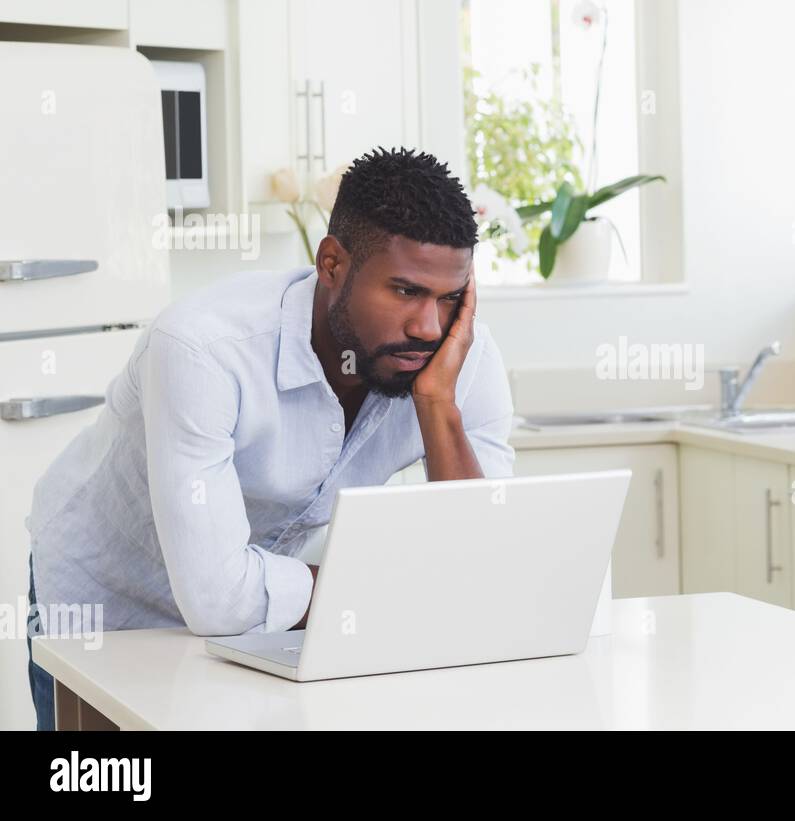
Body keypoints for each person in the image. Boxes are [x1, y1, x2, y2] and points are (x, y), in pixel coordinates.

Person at [25, 147, 514, 730]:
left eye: (450, 297)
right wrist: (376, 595)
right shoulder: (203, 348)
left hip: (273, 615)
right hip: (110, 604)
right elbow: (218, 599)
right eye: (405, 291)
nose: (428, 327)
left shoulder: (457, 357)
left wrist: (436, 405)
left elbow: (480, 568)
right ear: (331, 263)